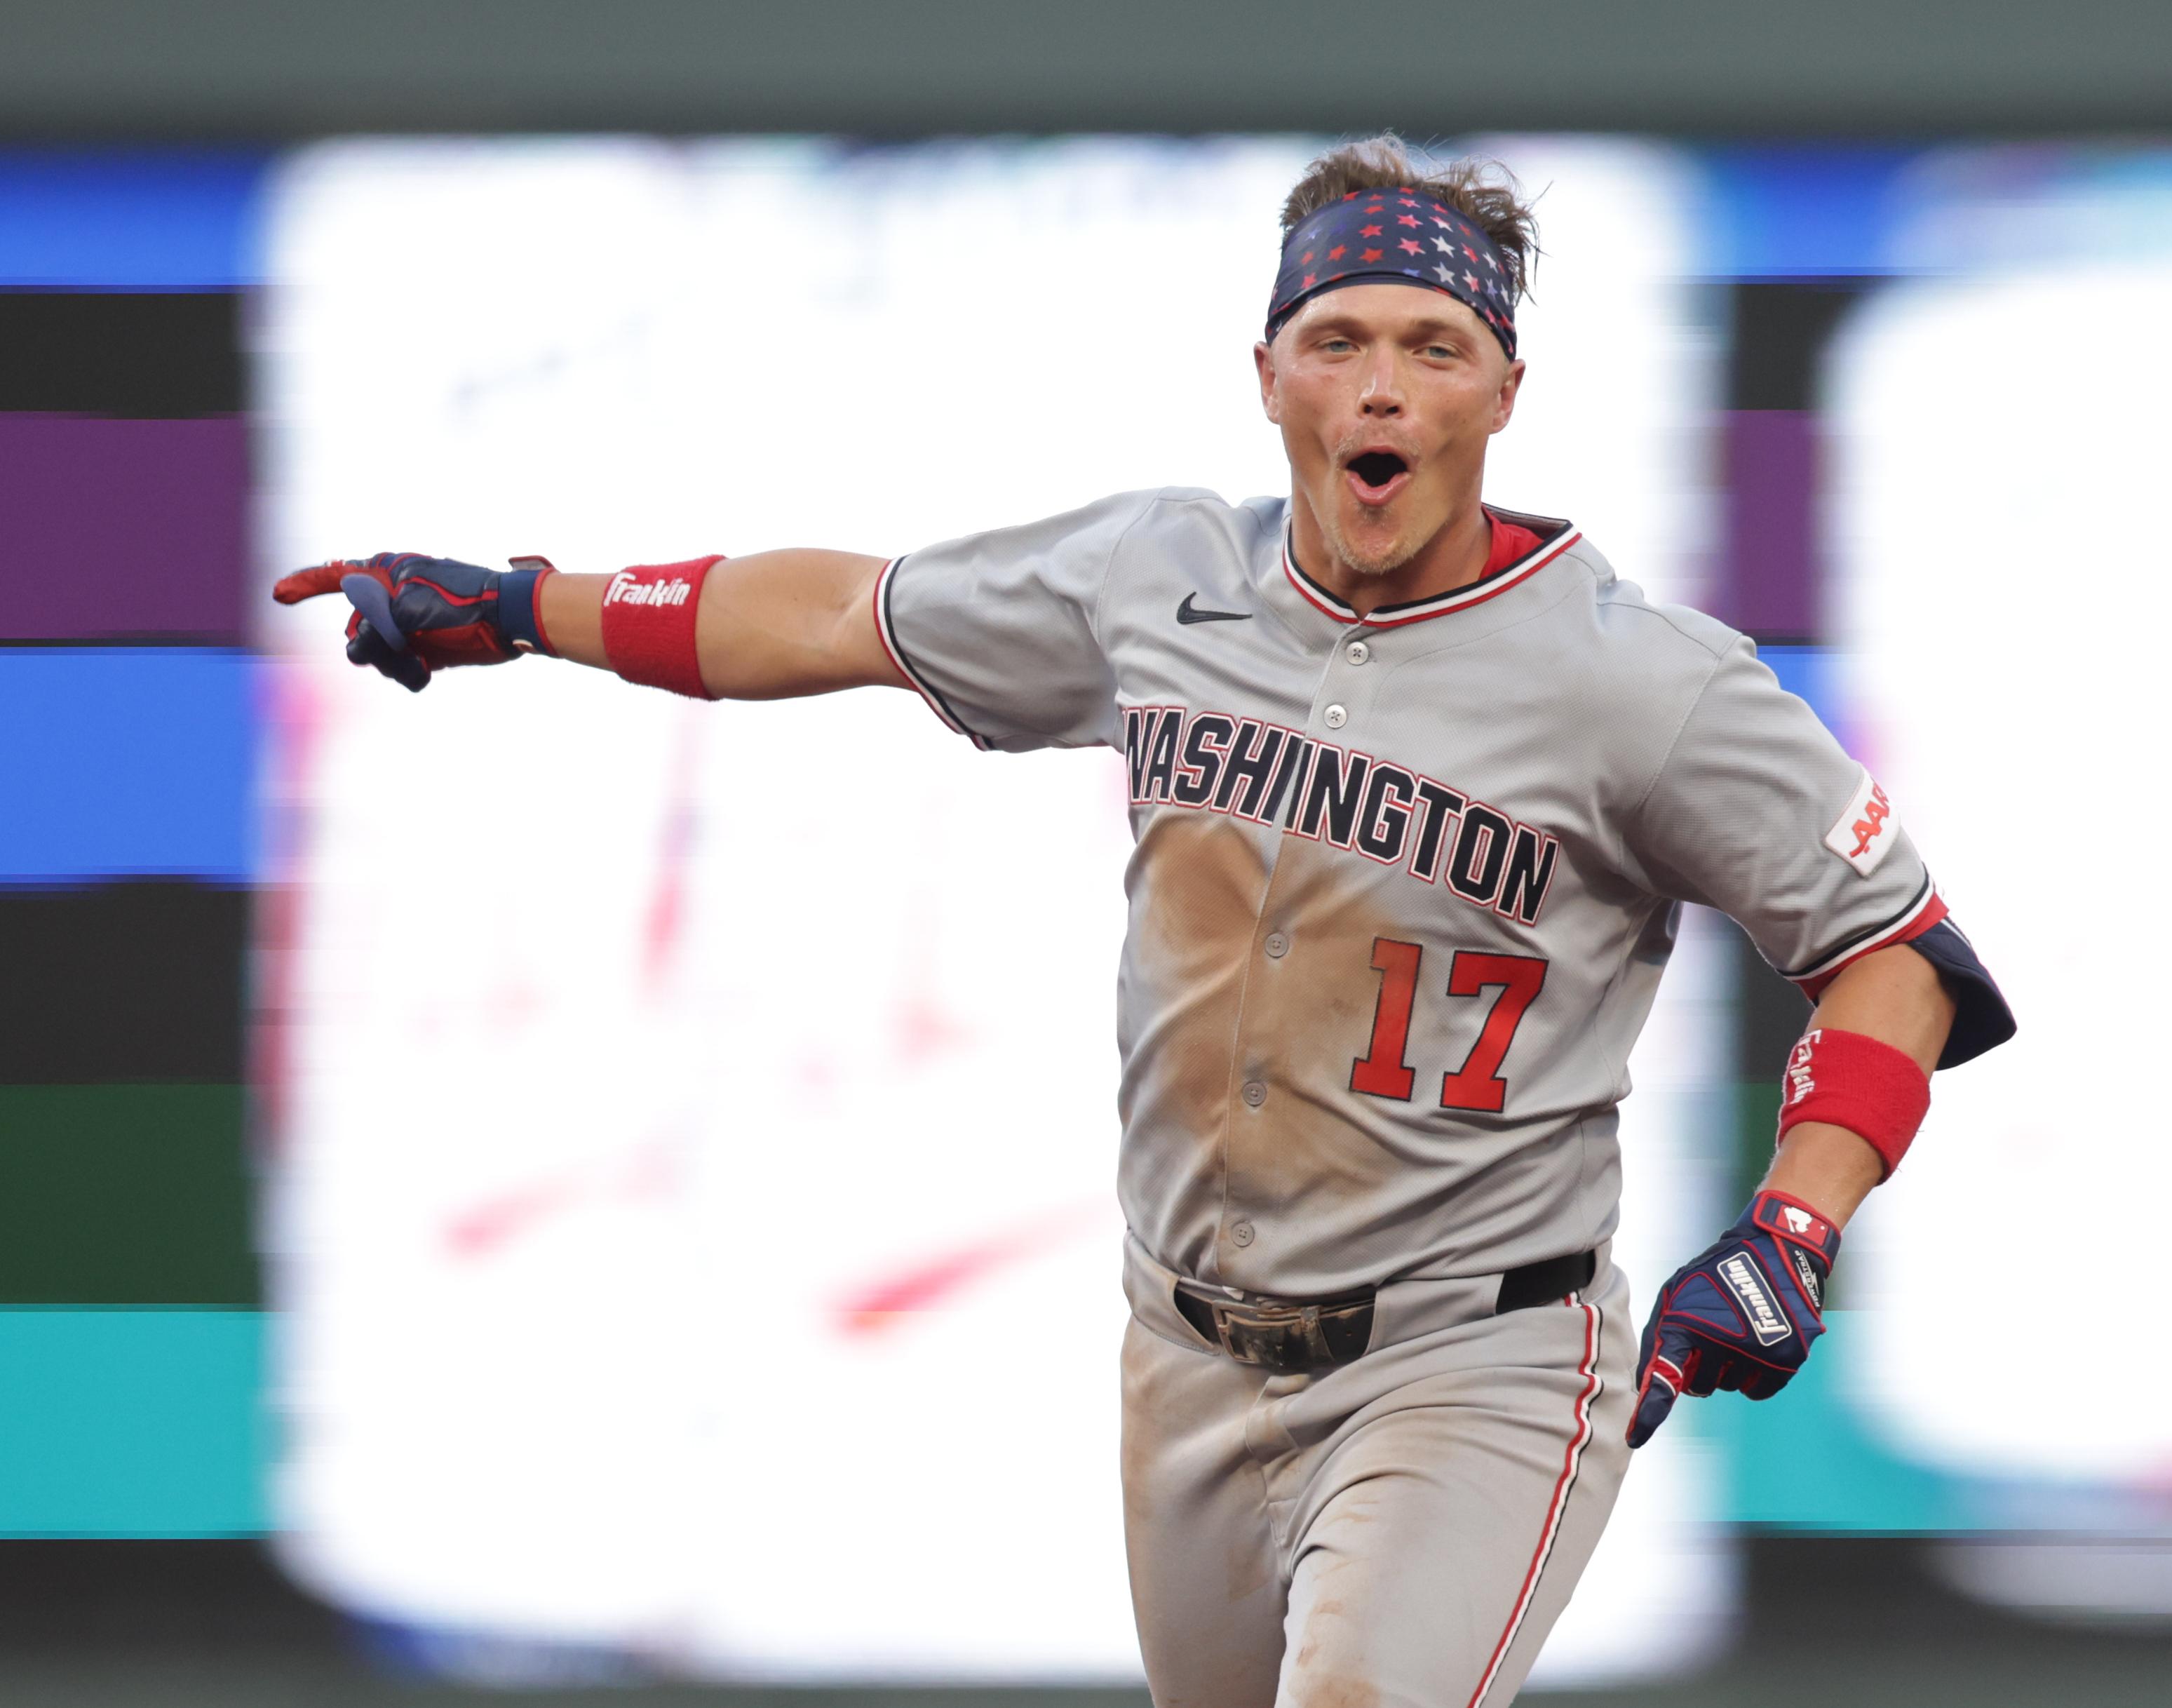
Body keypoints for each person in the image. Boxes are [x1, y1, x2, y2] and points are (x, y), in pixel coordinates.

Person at [276, 135, 2011, 1708]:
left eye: (1434, 346)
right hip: (1185, 1355)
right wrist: (519, 605)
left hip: (1476, 1355)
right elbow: (836, 616)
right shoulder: (1152, 579)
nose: (1381, 386)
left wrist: (1794, 1226)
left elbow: (1892, 949)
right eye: (1338, 342)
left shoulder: (1643, 683)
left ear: (1501, 391)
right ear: (1267, 378)